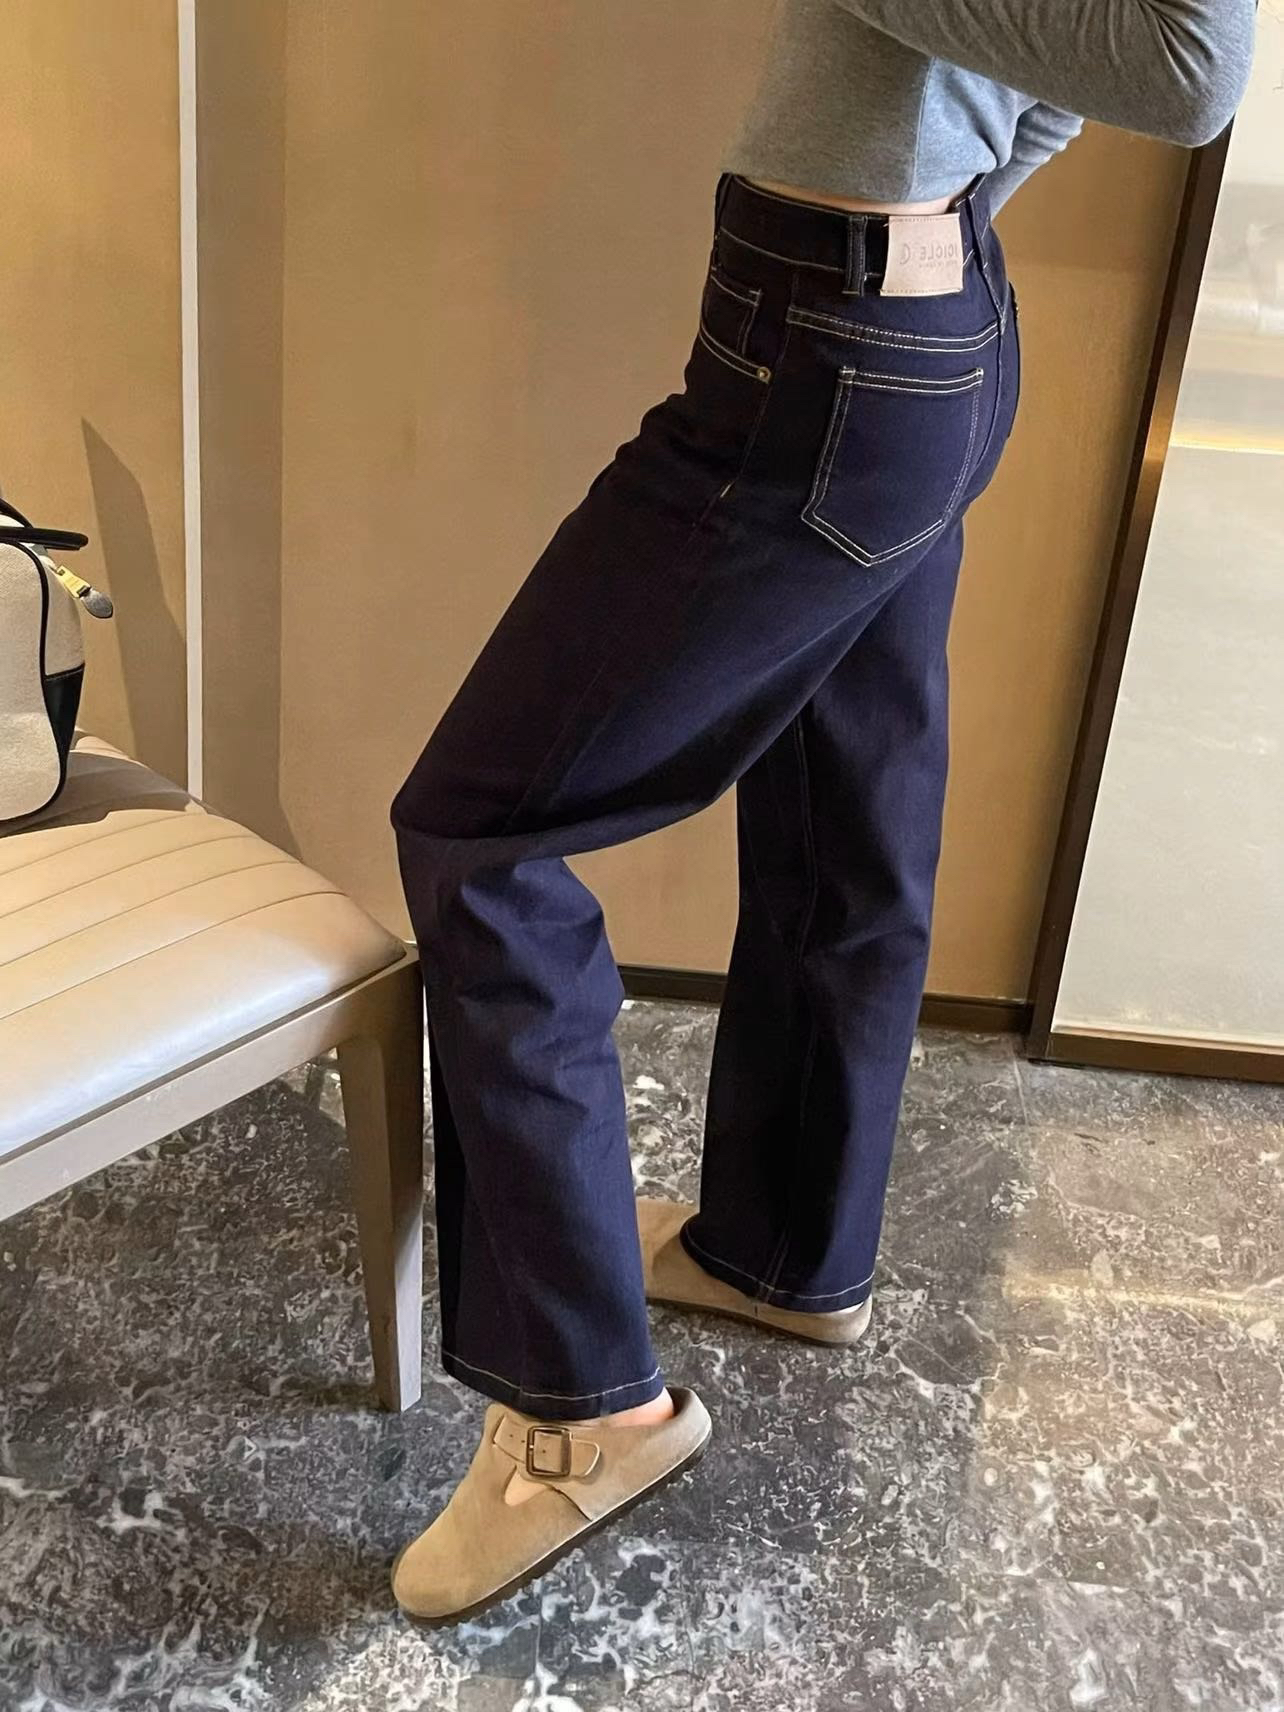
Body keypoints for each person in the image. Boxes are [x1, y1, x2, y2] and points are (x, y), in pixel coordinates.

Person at [389, 0, 1255, 1624]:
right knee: (846, 790)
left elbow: (1191, 66)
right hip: (896, 329)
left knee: (484, 835)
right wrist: (950, 220)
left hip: (843, 346)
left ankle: (584, 1417)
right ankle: (785, 1251)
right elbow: (1072, 68)